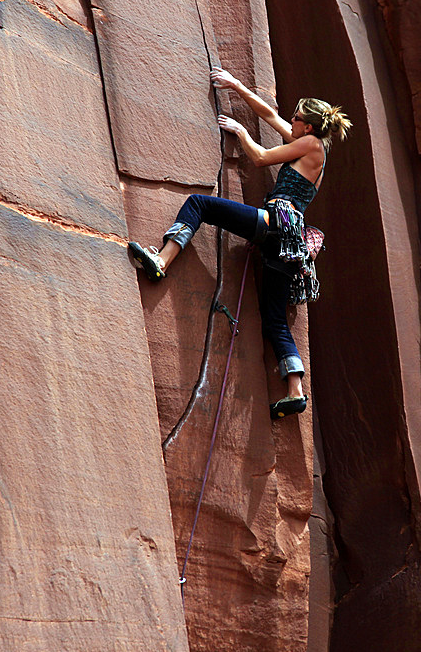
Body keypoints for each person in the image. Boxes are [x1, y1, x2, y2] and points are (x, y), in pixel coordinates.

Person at [128, 67, 351, 419]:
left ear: (308, 126)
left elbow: (260, 157)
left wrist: (242, 133)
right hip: (288, 243)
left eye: (296, 119)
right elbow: (270, 114)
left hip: (277, 223)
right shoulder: (310, 146)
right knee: (275, 321)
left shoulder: (309, 145)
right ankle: (295, 390)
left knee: (199, 205)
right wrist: (235, 86)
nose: (290, 122)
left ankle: (163, 261)